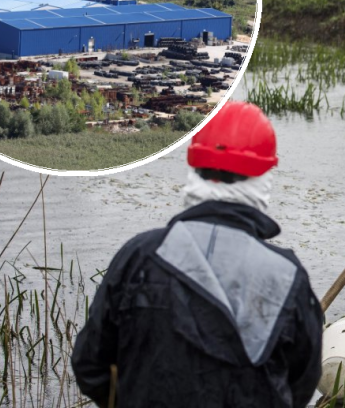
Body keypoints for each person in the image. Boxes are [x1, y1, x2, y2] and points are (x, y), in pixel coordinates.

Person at [72, 101, 323, 408]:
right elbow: (301, 384)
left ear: (194, 167)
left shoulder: (138, 257)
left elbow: (90, 365)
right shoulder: (287, 277)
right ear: (264, 175)